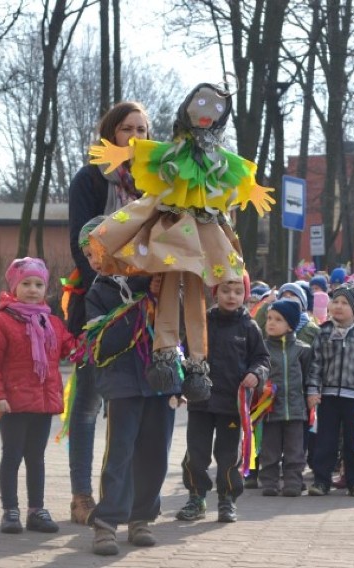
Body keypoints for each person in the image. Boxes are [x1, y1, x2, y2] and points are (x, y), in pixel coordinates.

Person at [86, 82, 274, 404]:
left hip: (204, 233)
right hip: (174, 228)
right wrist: (121, 152)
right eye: (200, 106)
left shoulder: (219, 157)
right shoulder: (176, 150)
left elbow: (238, 172)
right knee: (172, 288)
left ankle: (198, 364)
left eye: (215, 110)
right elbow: (150, 152)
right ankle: (166, 355)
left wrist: (252, 188)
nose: (206, 115)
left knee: (198, 295)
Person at [66, 101, 150, 524]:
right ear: (111, 134)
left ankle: (123, 498)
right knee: (87, 404)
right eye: (127, 128)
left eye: (142, 128)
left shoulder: (156, 184)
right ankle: (82, 496)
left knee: (131, 405)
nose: (135, 136)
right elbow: (81, 245)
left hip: (144, 307)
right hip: (98, 304)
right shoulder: (90, 179)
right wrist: (108, 286)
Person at [81, 238, 178, 555]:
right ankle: (107, 524)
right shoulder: (98, 293)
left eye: (101, 252)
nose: (96, 260)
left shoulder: (158, 282)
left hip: (161, 381)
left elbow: (180, 328)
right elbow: (102, 342)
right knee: (120, 452)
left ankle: (142, 518)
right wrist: (137, 305)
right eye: (90, 255)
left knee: (155, 453)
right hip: (121, 381)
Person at [0, 257, 78, 534]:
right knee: (12, 455)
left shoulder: (53, 323)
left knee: (36, 457)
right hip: (12, 403)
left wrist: (90, 340)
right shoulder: (1, 322)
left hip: (43, 404)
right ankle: (10, 510)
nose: (33, 289)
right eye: (26, 284)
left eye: (39, 284)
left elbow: (69, 348)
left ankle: (37, 510)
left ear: (46, 289)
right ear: (14, 286)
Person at [175, 277, 270, 523]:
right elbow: (184, 354)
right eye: (226, 290)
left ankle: (227, 500)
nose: (231, 296)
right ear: (215, 293)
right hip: (201, 402)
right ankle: (196, 498)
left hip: (231, 404)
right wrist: (180, 386)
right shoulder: (202, 322)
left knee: (228, 455)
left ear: (245, 296)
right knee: (196, 453)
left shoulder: (249, 327)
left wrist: (255, 374)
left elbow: (262, 359)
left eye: (238, 292)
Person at [305, 285, 354, 497]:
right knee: (325, 441)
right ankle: (321, 481)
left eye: (345, 303)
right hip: (328, 398)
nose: (338, 306)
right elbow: (315, 365)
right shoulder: (323, 332)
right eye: (336, 301)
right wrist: (312, 391)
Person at [258, 300, 312, 497]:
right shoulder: (262, 349)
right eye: (269, 318)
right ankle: (270, 482)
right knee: (269, 449)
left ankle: (293, 482)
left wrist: (311, 398)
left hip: (296, 409)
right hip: (270, 409)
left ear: (290, 325)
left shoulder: (302, 349)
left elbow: (310, 376)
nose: (271, 323)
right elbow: (257, 372)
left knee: (295, 450)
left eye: (278, 319)